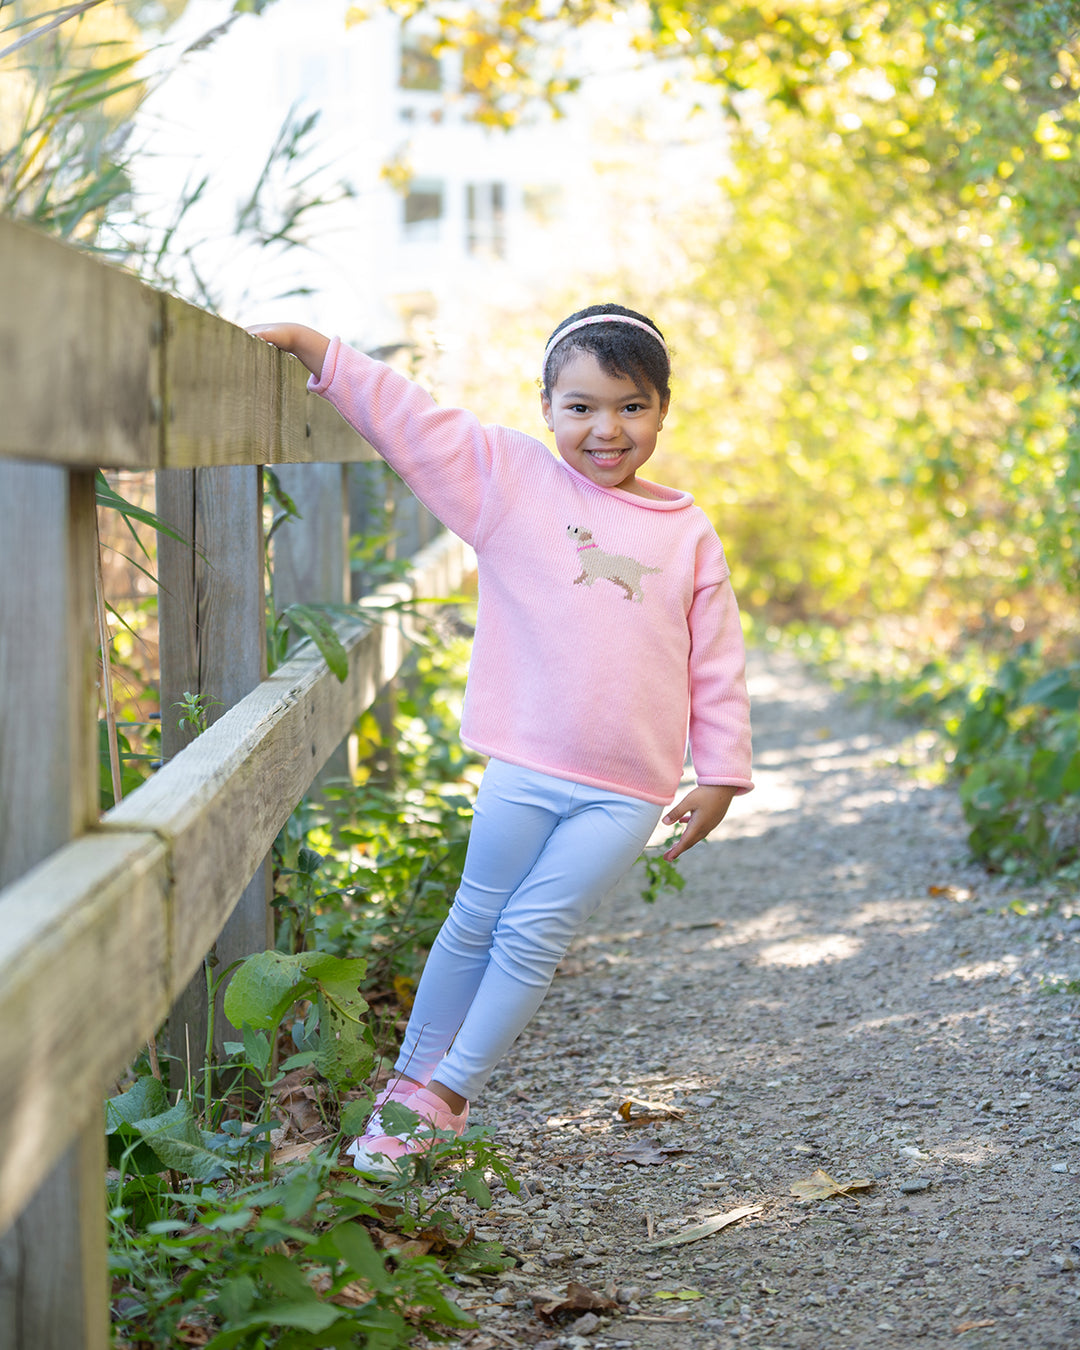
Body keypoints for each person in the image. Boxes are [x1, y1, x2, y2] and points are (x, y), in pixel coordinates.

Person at [248, 303, 753, 1177]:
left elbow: (717, 660)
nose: (607, 428)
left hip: (627, 787)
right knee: (477, 916)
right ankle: (408, 1085)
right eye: (582, 406)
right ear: (548, 405)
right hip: (524, 762)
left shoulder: (686, 532)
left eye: (631, 406)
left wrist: (721, 772)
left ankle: (447, 1098)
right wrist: (316, 347)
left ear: (663, 410)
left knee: (534, 932)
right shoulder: (511, 480)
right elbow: (413, 420)